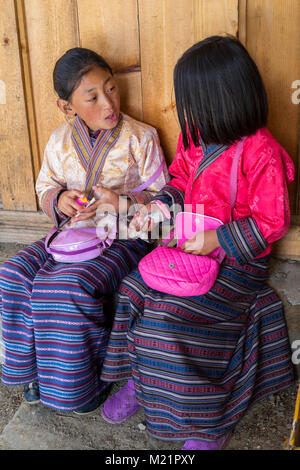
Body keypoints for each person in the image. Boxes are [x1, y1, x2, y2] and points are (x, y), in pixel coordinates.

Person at [99, 36, 295, 449]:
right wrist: (158, 207)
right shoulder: (197, 142)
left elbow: (272, 221)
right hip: (189, 249)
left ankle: (209, 423)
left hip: (238, 264)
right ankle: (144, 380)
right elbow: (180, 183)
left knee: (173, 318)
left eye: (193, 102)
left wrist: (218, 238)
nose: (190, 113)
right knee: (134, 290)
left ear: (221, 99)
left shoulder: (263, 152)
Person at [0, 47, 169, 413]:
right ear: (67, 106)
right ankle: (33, 372)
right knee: (12, 272)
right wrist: (59, 199)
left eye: (111, 88)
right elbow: (45, 185)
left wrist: (120, 201)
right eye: (92, 97)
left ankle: (79, 386)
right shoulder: (60, 141)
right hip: (70, 238)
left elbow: (164, 202)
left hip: (123, 239)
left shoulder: (141, 137)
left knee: (63, 286)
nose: (108, 102)